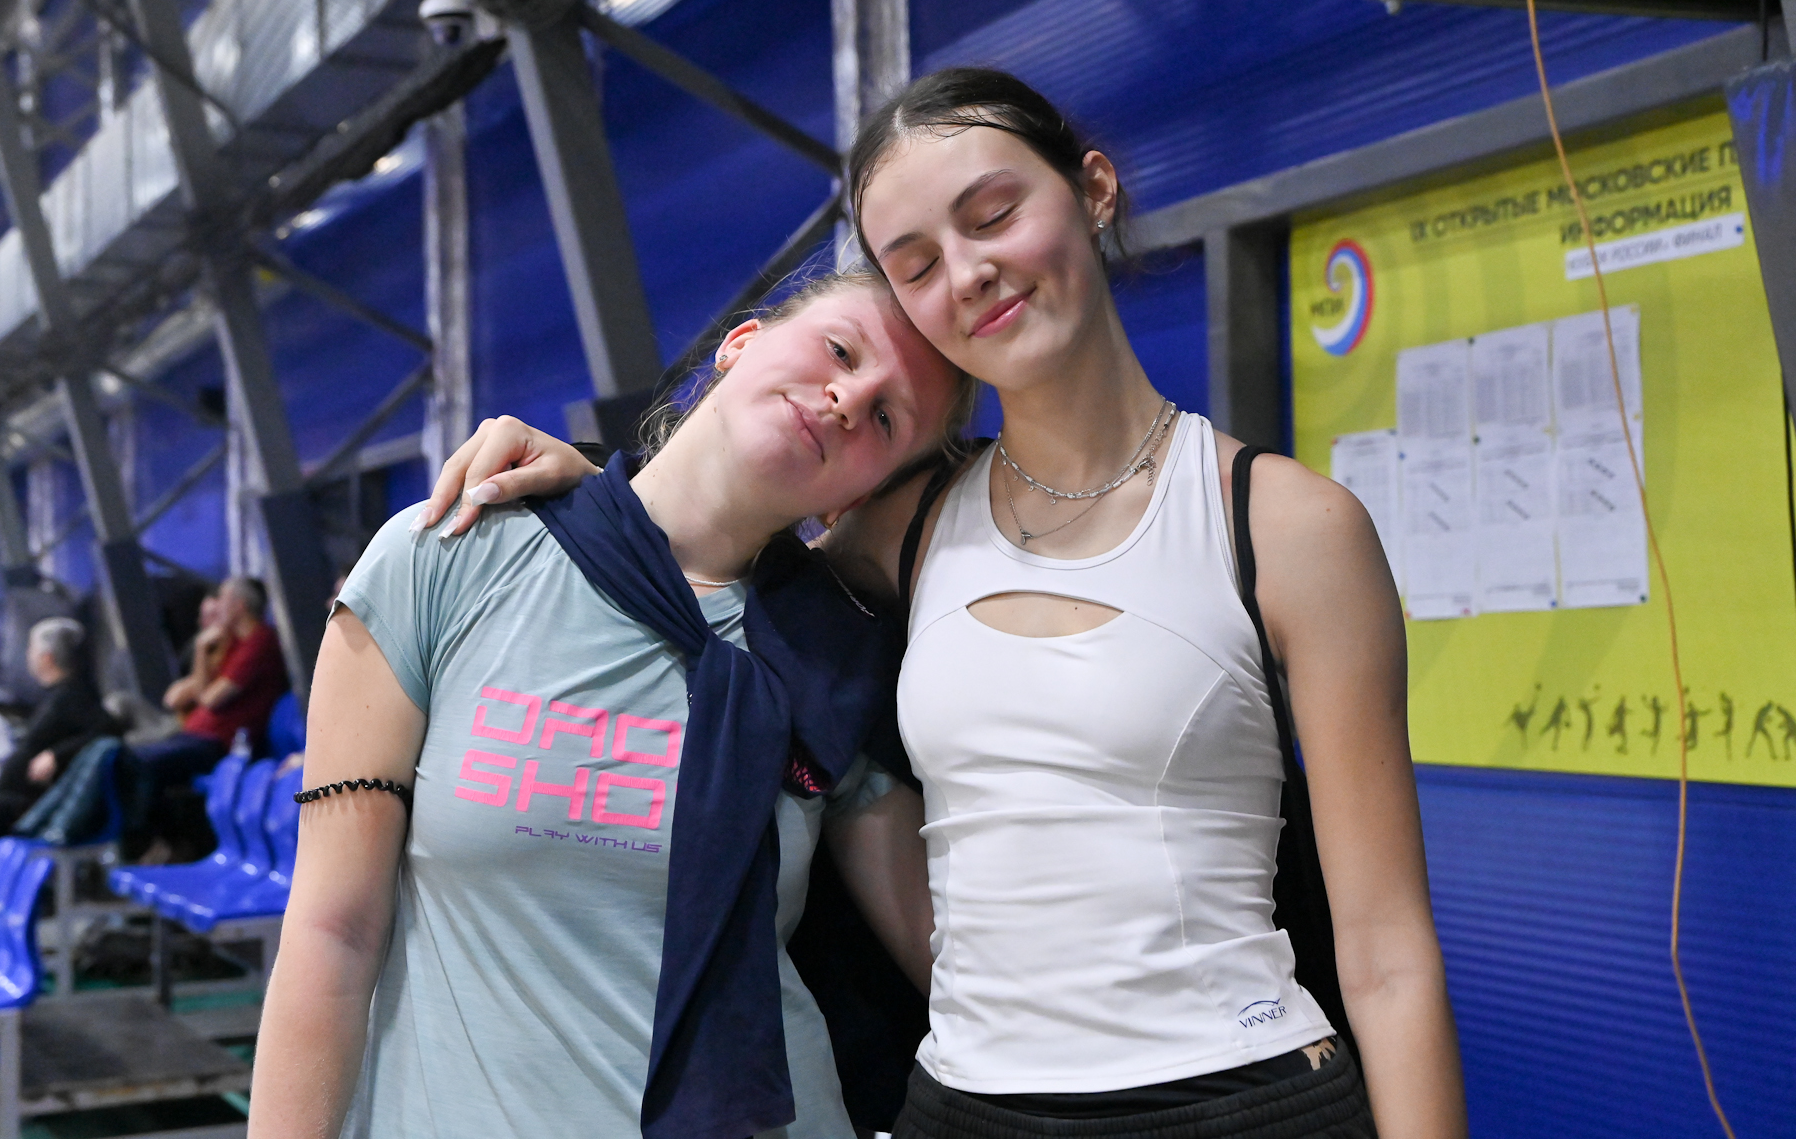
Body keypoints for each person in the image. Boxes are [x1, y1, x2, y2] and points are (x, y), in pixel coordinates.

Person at [423, 69, 1468, 1139]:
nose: (968, 273)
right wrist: (597, 495)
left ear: (1094, 189)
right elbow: (703, 560)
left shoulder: (1285, 525)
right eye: (916, 264)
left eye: (994, 214)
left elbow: (1387, 953)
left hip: (1241, 1098)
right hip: (961, 1108)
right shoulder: (907, 531)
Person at [249, 267, 971, 1139]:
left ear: (863, 493)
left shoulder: (837, 661)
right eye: (841, 350)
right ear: (740, 343)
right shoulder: (451, 551)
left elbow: (957, 966)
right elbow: (332, 933)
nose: (848, 399)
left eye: (888, 418)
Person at [133, 577, 289, 842]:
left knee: (138, 763)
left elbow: (209, 699)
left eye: (223, 600)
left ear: (239, 605)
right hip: (195, 734)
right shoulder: (231, 644)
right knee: (126, 755)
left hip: (220, 743)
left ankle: (156, 844)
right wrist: (202, 650)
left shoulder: (260, 641)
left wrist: (201, 651)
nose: (217, 606)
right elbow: (184, 695)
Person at [0, 617, 118, 835]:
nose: (28, 655)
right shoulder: (59, 695)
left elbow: (108, 729)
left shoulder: (73, 695)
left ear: (47, 657)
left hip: (28, 809)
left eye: (31, 649)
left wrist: (57, 755)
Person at [162, 591, 229, 721]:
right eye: (204, 617)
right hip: (185, 721)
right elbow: (172, 699)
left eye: (213, 615)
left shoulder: (232, 649)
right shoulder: (200, 651)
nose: (207, 623)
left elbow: (205, 696)